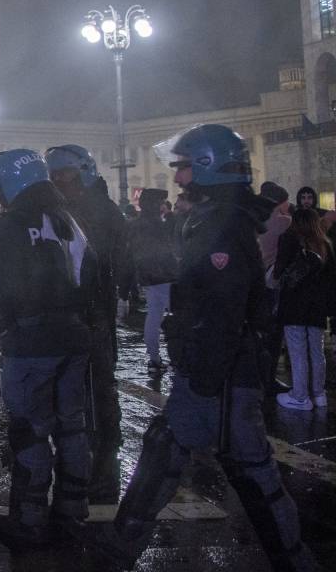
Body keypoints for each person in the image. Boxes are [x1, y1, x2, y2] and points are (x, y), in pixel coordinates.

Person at [82, 124, 317, 571]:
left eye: (185, 168)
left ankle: (294, 559)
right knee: (202, 455)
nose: (178, 179)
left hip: (221, 370)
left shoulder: (222, 225)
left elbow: (224, 305)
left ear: (208, 167)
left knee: (233, 465)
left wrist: (202, 375)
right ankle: (119, 545)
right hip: (220, 366)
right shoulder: (221, 218)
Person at [0, 149, 95, 549]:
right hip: (73, 338)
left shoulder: (12, 222)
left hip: (32, 342)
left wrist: (5, 329)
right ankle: (71, 512)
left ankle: (29, 521)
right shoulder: (67, 220)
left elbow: (4, 286)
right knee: (72, 429)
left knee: (30, 430)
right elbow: (89, 274)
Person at [45, 143, 125, 502]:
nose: (58, 182)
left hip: (92, 312)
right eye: (55, 176)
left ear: (82, 176)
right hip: (79, 311)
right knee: (84, 385)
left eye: (64, 176)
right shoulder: (72, 208)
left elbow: (105, 263)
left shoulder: (97, 211)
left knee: (97, 385)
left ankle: (102, 459)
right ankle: (92, 454)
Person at [273, 208, 333, 411]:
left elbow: (279, 271)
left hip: (294, 304)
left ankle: (300, 396)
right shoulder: (325, 244)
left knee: (298, 351)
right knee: (316, 351)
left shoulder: (290, 240)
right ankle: (319, 393)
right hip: (317, 306)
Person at [124, 188, 176, 372]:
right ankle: (179, 356)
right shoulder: (156, 225)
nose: (162, 206)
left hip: (148, 276)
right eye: (160, 202)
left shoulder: (136, 225)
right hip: (164, 276)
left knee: (154, 315)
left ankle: (154, 357)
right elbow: (166, 252)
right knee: (178, 315)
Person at [258, 182, 293, 394]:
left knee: (260, 332)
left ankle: (258, 378)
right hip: (272, 281)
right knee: (273, 332)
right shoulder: (282, 220)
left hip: (256, 279)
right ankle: (268, 379)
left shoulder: (254, 218)